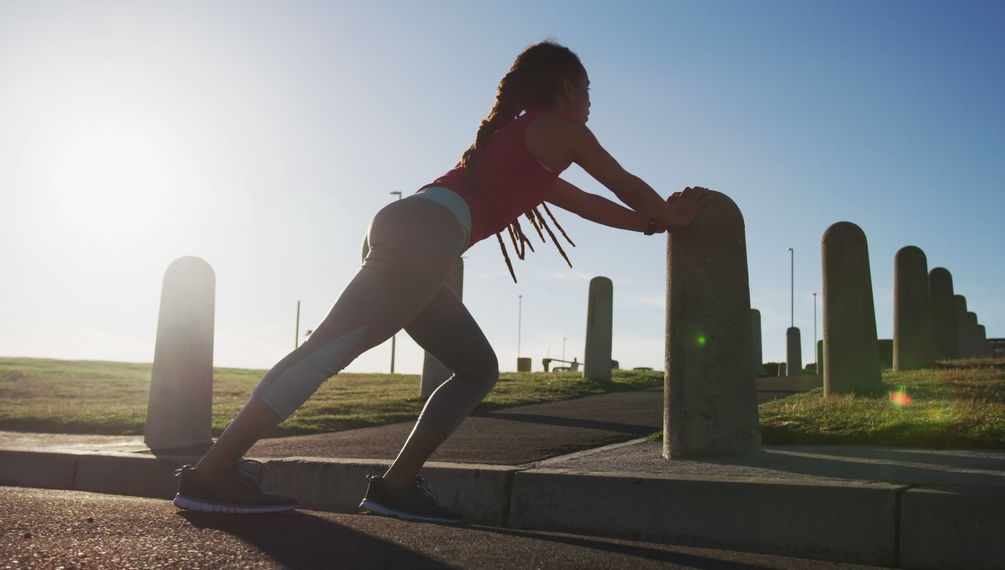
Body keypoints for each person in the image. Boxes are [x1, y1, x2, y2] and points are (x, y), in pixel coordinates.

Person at [172, 40, 710, 523]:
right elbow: (621, 182)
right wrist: (676, 216)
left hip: (413, 232)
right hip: (424, 238)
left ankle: (397, 485)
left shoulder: (528, 146)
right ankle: (211, 473)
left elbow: (595, 204)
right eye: (588, 89)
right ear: (566, 86)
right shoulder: (561, 129)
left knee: (477, 368)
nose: (591, 101)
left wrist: (655, 221)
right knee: (328, 349)